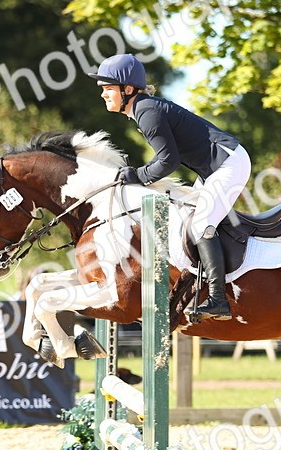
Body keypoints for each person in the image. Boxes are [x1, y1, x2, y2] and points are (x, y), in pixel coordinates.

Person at [88, 53, 251, 321]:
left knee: (201, 225)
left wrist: (135, 175)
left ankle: (219, 300)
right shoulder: (143, 109)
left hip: (228, 164)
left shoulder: (146, 111)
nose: (104, 95)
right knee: (187, 222)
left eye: (108, 89)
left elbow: (168, 161)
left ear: (127, 90)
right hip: (213, 168)